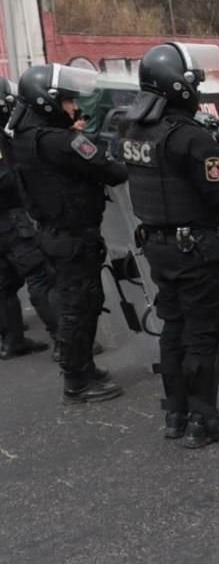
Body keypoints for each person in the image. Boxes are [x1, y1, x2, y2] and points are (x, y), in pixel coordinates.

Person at [122, 42, 219, 447]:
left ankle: (176, 415)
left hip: (158, 247)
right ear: (179, 87)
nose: (197, 89)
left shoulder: (133, 130)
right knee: (203, 332)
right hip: (193, 249)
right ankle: (204, 421)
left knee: (173, 329)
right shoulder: (191, 138)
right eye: (194, 82)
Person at [9, 64, 127, 403]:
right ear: (48, 103)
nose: (75, 108)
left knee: (82, 303)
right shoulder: (61, 141)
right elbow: (113, 170)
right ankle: (77, 381)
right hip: (73, 237)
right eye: (68, 102)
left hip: (55, 233)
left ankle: (83, 367)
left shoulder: (26, 137)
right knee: (79, 306)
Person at [0, 78, 57, 360]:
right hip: (8, 219)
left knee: (5, 284)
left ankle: (13, 341)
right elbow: (5, 180)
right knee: (40, 276)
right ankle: (66, 342)